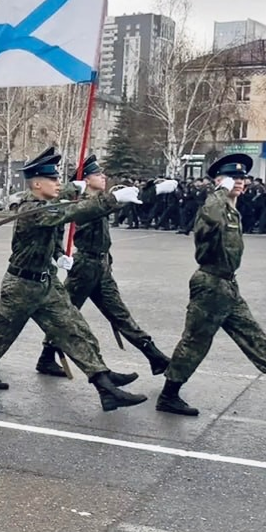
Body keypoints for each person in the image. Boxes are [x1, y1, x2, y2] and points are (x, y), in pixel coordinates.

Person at [0, 147, 145, 416]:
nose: (57, 183)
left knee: (75, 330)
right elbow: (71, 213)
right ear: (37, 184)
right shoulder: (31, 209)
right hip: (20, 287)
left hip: (46, 283)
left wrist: (60, 253)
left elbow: (64, 207)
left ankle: (105, 387)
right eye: (52, 179)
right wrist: (112, 199)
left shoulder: (46, 204)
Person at [156, 153, 266, 416]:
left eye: (241, 177)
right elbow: (211, 216)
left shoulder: (231, 209)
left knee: (254, 337)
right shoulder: (213, 207)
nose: (239, 181)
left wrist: (226, 194)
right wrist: (219, 191)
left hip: (227, 286)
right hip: (210, 285)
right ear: (218, 181)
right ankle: (168, 396)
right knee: (195, 343)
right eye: (231, 177)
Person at [38, 154, 173, 378]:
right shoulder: (81, 203)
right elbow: (57, 230)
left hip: (101, 265)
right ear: (86, 179)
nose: (103, 177)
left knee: (119, 313)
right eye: (98, 174)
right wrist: (59, 254)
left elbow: (126, 200)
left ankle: (154, 356)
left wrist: (154, 190)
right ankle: (47, 357)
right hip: (84, 267)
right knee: (65, 316)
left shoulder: (101, 199)